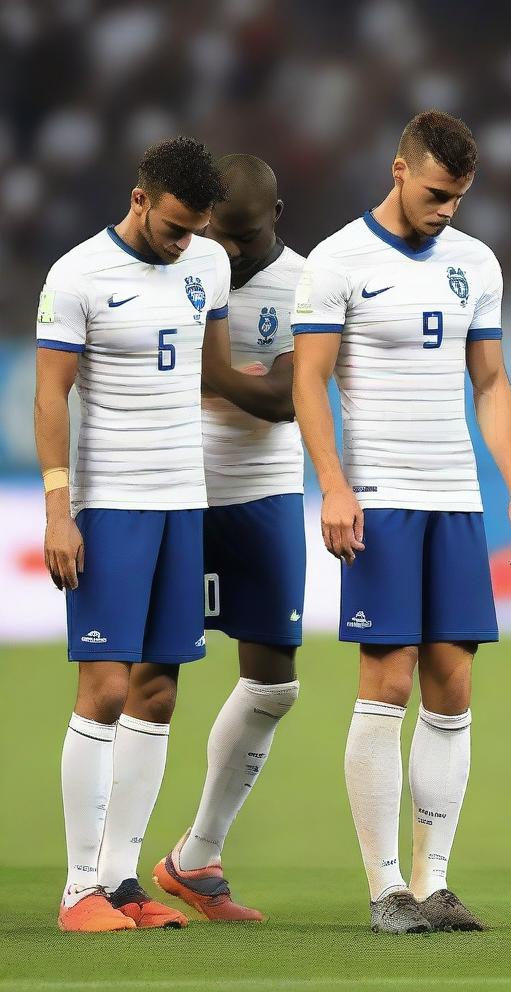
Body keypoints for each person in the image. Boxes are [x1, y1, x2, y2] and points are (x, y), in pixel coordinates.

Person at [292, 110, 511, 934]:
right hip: (381, 498)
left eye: (461, 197)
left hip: (456, 501)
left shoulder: (475, 263)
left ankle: (435, 882)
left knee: (454, 684)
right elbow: (310, 381)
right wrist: (332, 485)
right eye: (438, 193)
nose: (449, 210)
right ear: (399, 170)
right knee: (387, 679)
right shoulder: (338, 262)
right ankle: (385, 887)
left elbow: (492, 385)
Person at [34, 136, 230, 932]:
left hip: (185, 501)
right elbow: (52, 396)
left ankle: (122, 884)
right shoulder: (78, 274)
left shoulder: (208, 267)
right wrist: (58, 507)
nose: (184, 243)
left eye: (195, 230)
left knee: (157, 690)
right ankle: (78, 888)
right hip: (110, 503)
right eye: (173, 227)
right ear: (140, 198)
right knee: (106, 687)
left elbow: (211, 372)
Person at [153, 154, 306, 922]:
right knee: (147, 681)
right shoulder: (182, 259)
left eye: (243, 236)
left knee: (276, 682)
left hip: (262, 491)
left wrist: (192, 370)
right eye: (218, 232)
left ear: (277, 213)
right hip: (174, 487)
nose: (228, 250)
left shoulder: (304, 282)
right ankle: (101, 876)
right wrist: (225, 376)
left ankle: (195, 857)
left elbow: (282, 400)